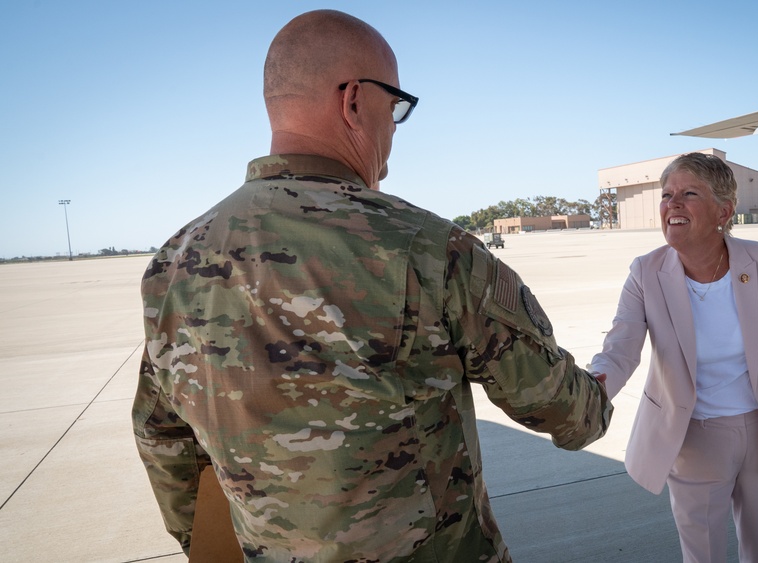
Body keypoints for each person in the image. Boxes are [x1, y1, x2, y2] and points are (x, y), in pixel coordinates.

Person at [132, 10, 611, 562]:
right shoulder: (429, 249)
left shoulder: (174, 260)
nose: (395, 128)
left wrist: (204, 541)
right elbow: (563, 410)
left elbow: (161, 433)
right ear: (355, 100)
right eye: (397, 107)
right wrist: (597, 394)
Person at [589, 152, 758, 562]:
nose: (672, 204)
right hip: (692, 438)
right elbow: (620, 347)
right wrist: (593, 386)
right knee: (703, 556)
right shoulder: (646, 272)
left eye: (688, 193)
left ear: (723, 210)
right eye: (666, 195)